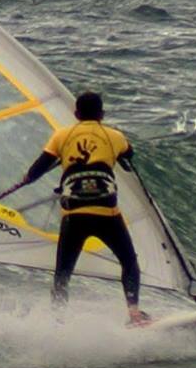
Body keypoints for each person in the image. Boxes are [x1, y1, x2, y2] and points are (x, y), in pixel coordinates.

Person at [18, 91, 149, 326]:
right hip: (106, 213)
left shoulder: (61, 136)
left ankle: (58, 319)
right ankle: (134, 313)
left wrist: (27, 178)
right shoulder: (114, 136)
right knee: (129, 262)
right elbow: (129, 155)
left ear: (76, 113)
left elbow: (38, 168)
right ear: (102, 113)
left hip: (74, 215)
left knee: (63, 272)